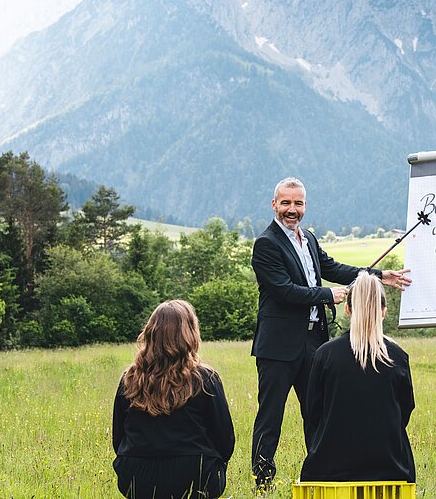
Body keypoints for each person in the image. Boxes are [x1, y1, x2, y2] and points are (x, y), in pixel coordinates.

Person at [250, 177, 412, 488]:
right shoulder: (266, 244)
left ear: (305, 206)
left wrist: (379, 275)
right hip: (278, 347)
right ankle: (262, 481)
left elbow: (334, 268)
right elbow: (284, 290)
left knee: (317, 412)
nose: (292, 209)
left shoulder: (308, 239)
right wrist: (327, 295)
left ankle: (318, 474)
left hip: (314, 342)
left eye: (298, 203)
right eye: (286, 203)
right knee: (270, 416)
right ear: (274, 205)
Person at [112, 300, 235, 499]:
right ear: (190, 333)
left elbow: (119, 438)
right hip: (196, 474)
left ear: (151, 333)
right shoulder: (205, 379)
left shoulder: (130, 378)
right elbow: (225, 440)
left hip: (137, 477)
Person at [300, 271, 415, 482]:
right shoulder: (398, 356)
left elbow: (313, 413)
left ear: (347, 309)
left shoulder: (325, 355)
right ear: (383, 311)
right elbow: (404, 412)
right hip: (392, 469)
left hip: (328, 470)